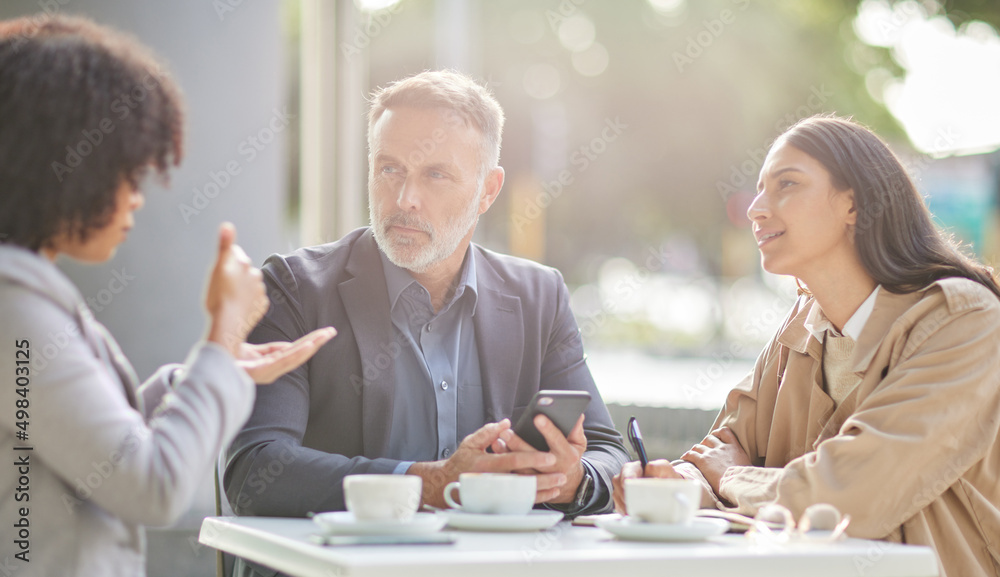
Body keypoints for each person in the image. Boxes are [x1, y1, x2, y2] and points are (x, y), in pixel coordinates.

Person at [223, 70, 628, 534]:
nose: (405, 198)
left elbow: (608, 453)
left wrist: (570, 478)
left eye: (436, 174)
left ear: (488, 191)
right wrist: (428, 485)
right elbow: (255, 472)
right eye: (389, 168)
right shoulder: (295, 288)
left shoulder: (539, 296)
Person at [0, 15, 334, 577]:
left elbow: (87, 441)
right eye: (126, 172)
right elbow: (149, 485)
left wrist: (211, 368)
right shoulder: (15, 308)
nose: (137, 197)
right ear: (54, 162)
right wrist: (224, 336)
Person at [614, 115, 1000, 577]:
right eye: (758, 189)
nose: (756, 208)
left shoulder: (963, 320)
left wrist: (733, 477)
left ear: (854, 205)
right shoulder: (799, 327)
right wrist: (674, 482)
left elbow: (855, 494)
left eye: (787, 184)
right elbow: (724, 446)